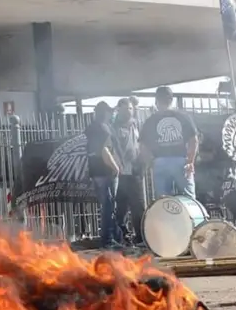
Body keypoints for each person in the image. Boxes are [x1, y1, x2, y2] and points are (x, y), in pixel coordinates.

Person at [139, 86, 199, 200]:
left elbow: (142, 146)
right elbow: (194, 140)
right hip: (181, 161)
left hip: (160, 162)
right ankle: (190, 211)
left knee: (164, 201)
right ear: (172, 100)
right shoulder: (183, 116)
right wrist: (190, 161)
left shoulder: (151, 120)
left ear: (156, 101)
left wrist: (151, 162)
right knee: (189, 198)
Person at [85, 101, 120, 249]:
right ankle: (108, 239)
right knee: (108, 206)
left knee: (105, 205)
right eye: (110, 112)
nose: (112, 114)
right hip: (105, 172)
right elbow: (104, 151)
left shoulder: (91, 128)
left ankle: (112, 237)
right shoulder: (103, 129)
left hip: (95, 171)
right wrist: (115, 167)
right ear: (105, 112)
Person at [111, 98, 145, 246]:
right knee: (121, 208)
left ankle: (140, 238)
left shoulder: (136, 125)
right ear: (118, 110)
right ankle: (121, 236)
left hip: (135, 172)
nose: (129, 112)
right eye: (125, 109)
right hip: (121, 174)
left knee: (138, 206)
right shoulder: (114, 128)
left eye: (130, 109)